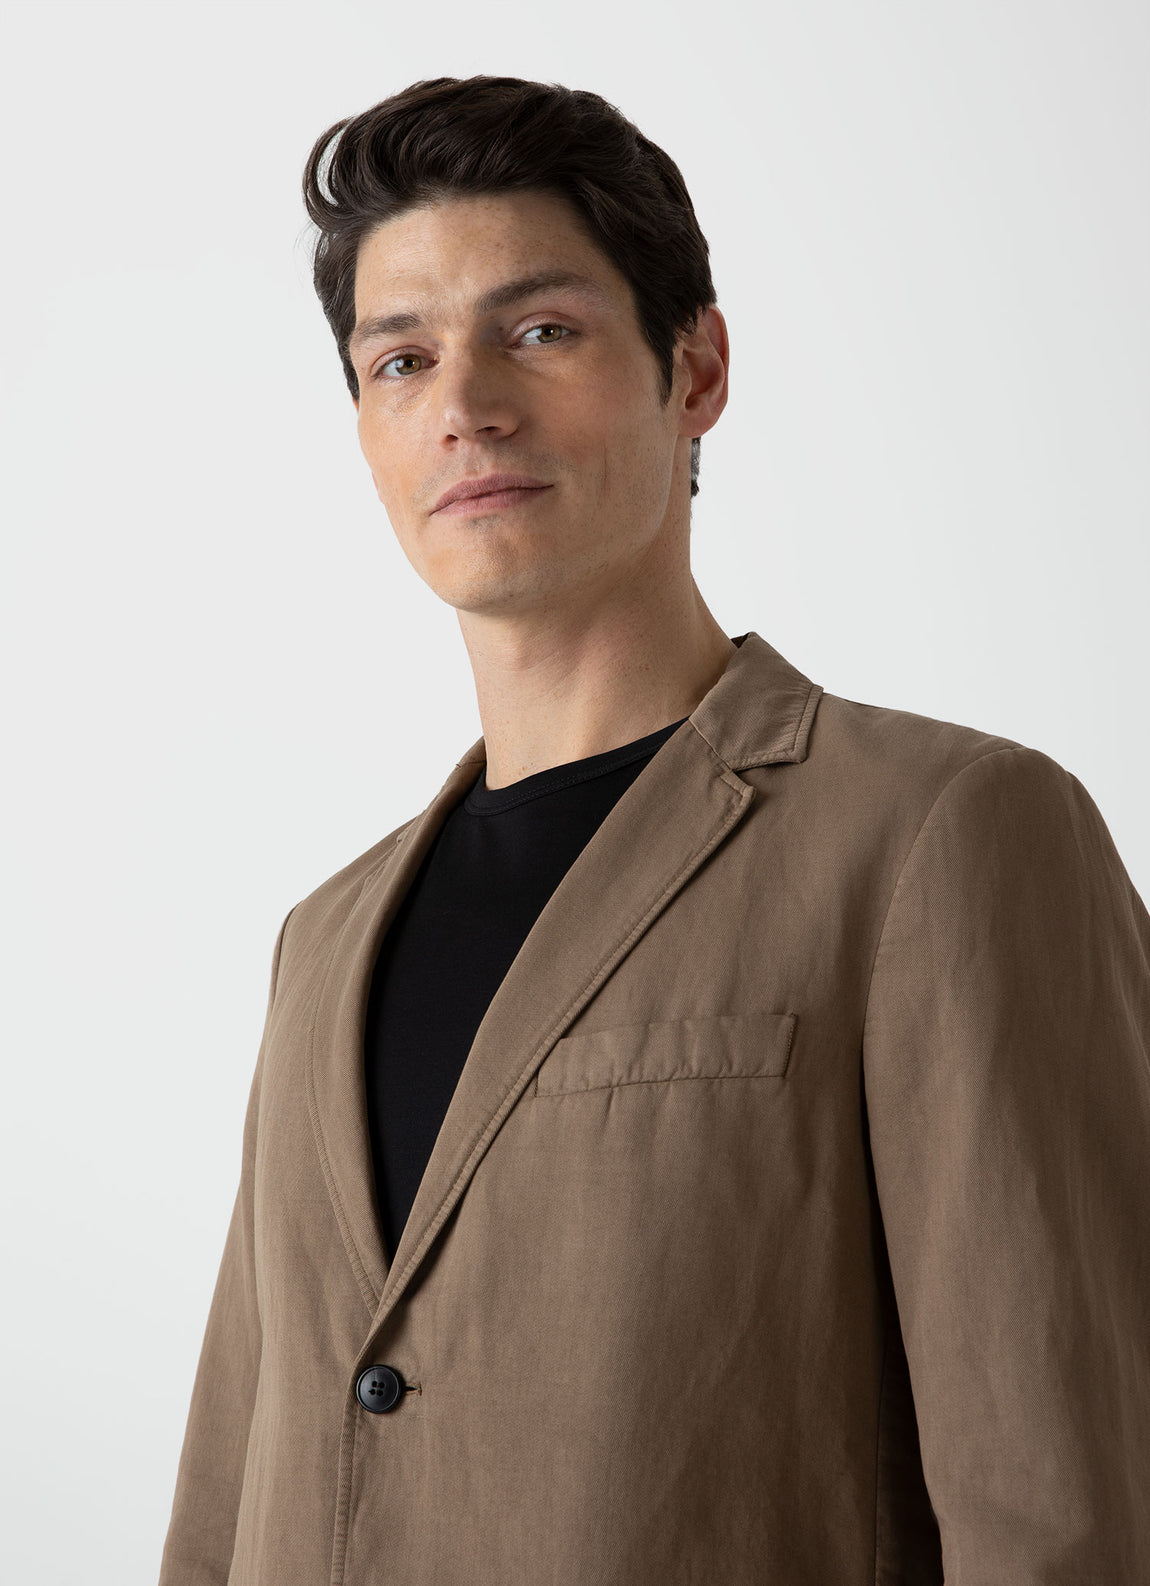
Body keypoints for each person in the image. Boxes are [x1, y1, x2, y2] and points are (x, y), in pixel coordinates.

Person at [158, 76, 1150, 1585]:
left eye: (540, 331)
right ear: (365, 426)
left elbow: (1064, 1518)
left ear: (695, 371)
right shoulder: (324, 939)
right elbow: (228, 1506)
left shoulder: (942, 838)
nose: (465, 403)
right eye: (401, 359)